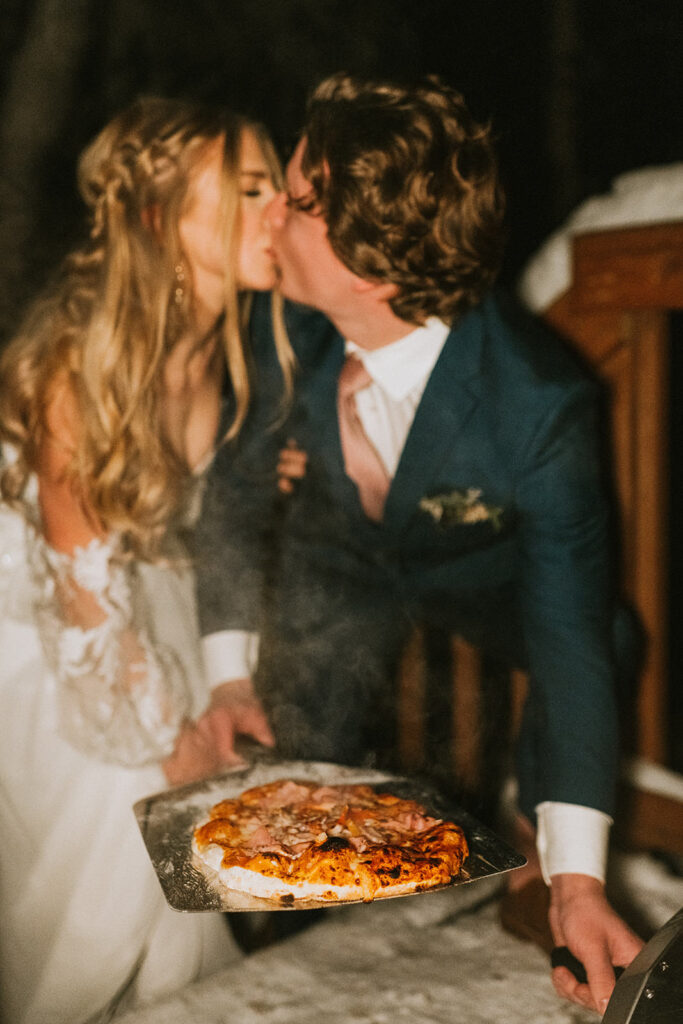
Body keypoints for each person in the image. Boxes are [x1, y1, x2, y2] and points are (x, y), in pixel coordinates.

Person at [194, 73, 646, 1014]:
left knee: (603, 640)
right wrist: (230, 674)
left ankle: (535, 840)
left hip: (483, 583)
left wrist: (579, 879)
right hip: (333, 572)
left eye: (297, 197)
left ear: (367, 267)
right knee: (291, 762)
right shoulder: (278, 311)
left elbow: (563, 644)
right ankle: (280, 940)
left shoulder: (538, 409)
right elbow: (236, 489)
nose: (269, 210)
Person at [0, 95, 290, 1023]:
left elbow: (203, 530)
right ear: (163, 215)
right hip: (44, 609)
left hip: (144, 585)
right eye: (250, 190)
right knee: (132, 820)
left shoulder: (236, 345)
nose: (281, 209)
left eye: (280, 186)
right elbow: (83, 605)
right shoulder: (80, 362)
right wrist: (173, 738)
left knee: (202, 823)